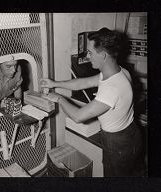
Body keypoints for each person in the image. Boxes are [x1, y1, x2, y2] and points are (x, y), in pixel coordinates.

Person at [40, 27, 143, 177]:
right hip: (130, 133)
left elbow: (78, 116)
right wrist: (54, 83)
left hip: (118, 143)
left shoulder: (112, 88)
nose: (88, 57)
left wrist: (58, 98)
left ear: (104, 55)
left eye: (90, 53)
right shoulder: (118, 72)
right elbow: (82, 83)